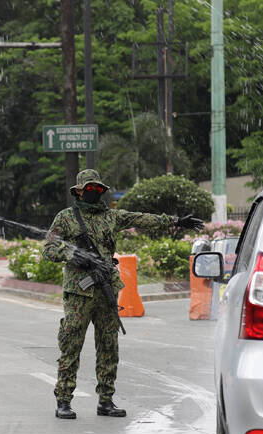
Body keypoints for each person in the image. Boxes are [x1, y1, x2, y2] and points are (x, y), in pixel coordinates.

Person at [43, 169, 203, 420]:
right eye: (89, 189)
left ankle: (105, 400)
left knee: (109, 347)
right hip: (78, 293)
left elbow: (142, 219)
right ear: (79, 191)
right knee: (71, 345)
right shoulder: (65, 218)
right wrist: (74, 254)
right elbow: (49, 248)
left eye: (98, 189)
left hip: (105, 289)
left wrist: (176, 221)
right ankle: (64, 400)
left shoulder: (112, 217)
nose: (94, 193)